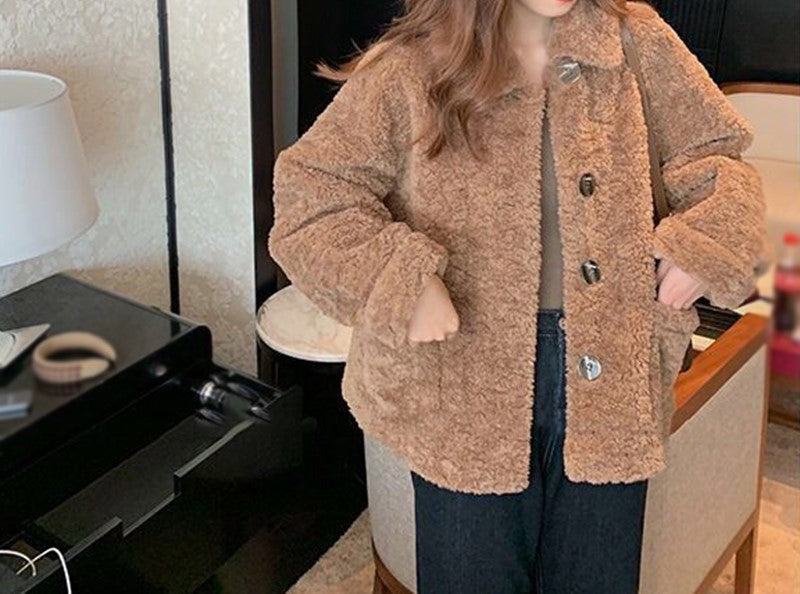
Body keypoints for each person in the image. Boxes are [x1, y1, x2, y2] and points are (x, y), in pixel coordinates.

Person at [268, 0, 769, 592]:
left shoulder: (634, 39)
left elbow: (717, 155)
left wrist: (702, 246)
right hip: (463, 392)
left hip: (610, 383)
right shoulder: (415, 65)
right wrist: (399, 280)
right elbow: (310, 197)